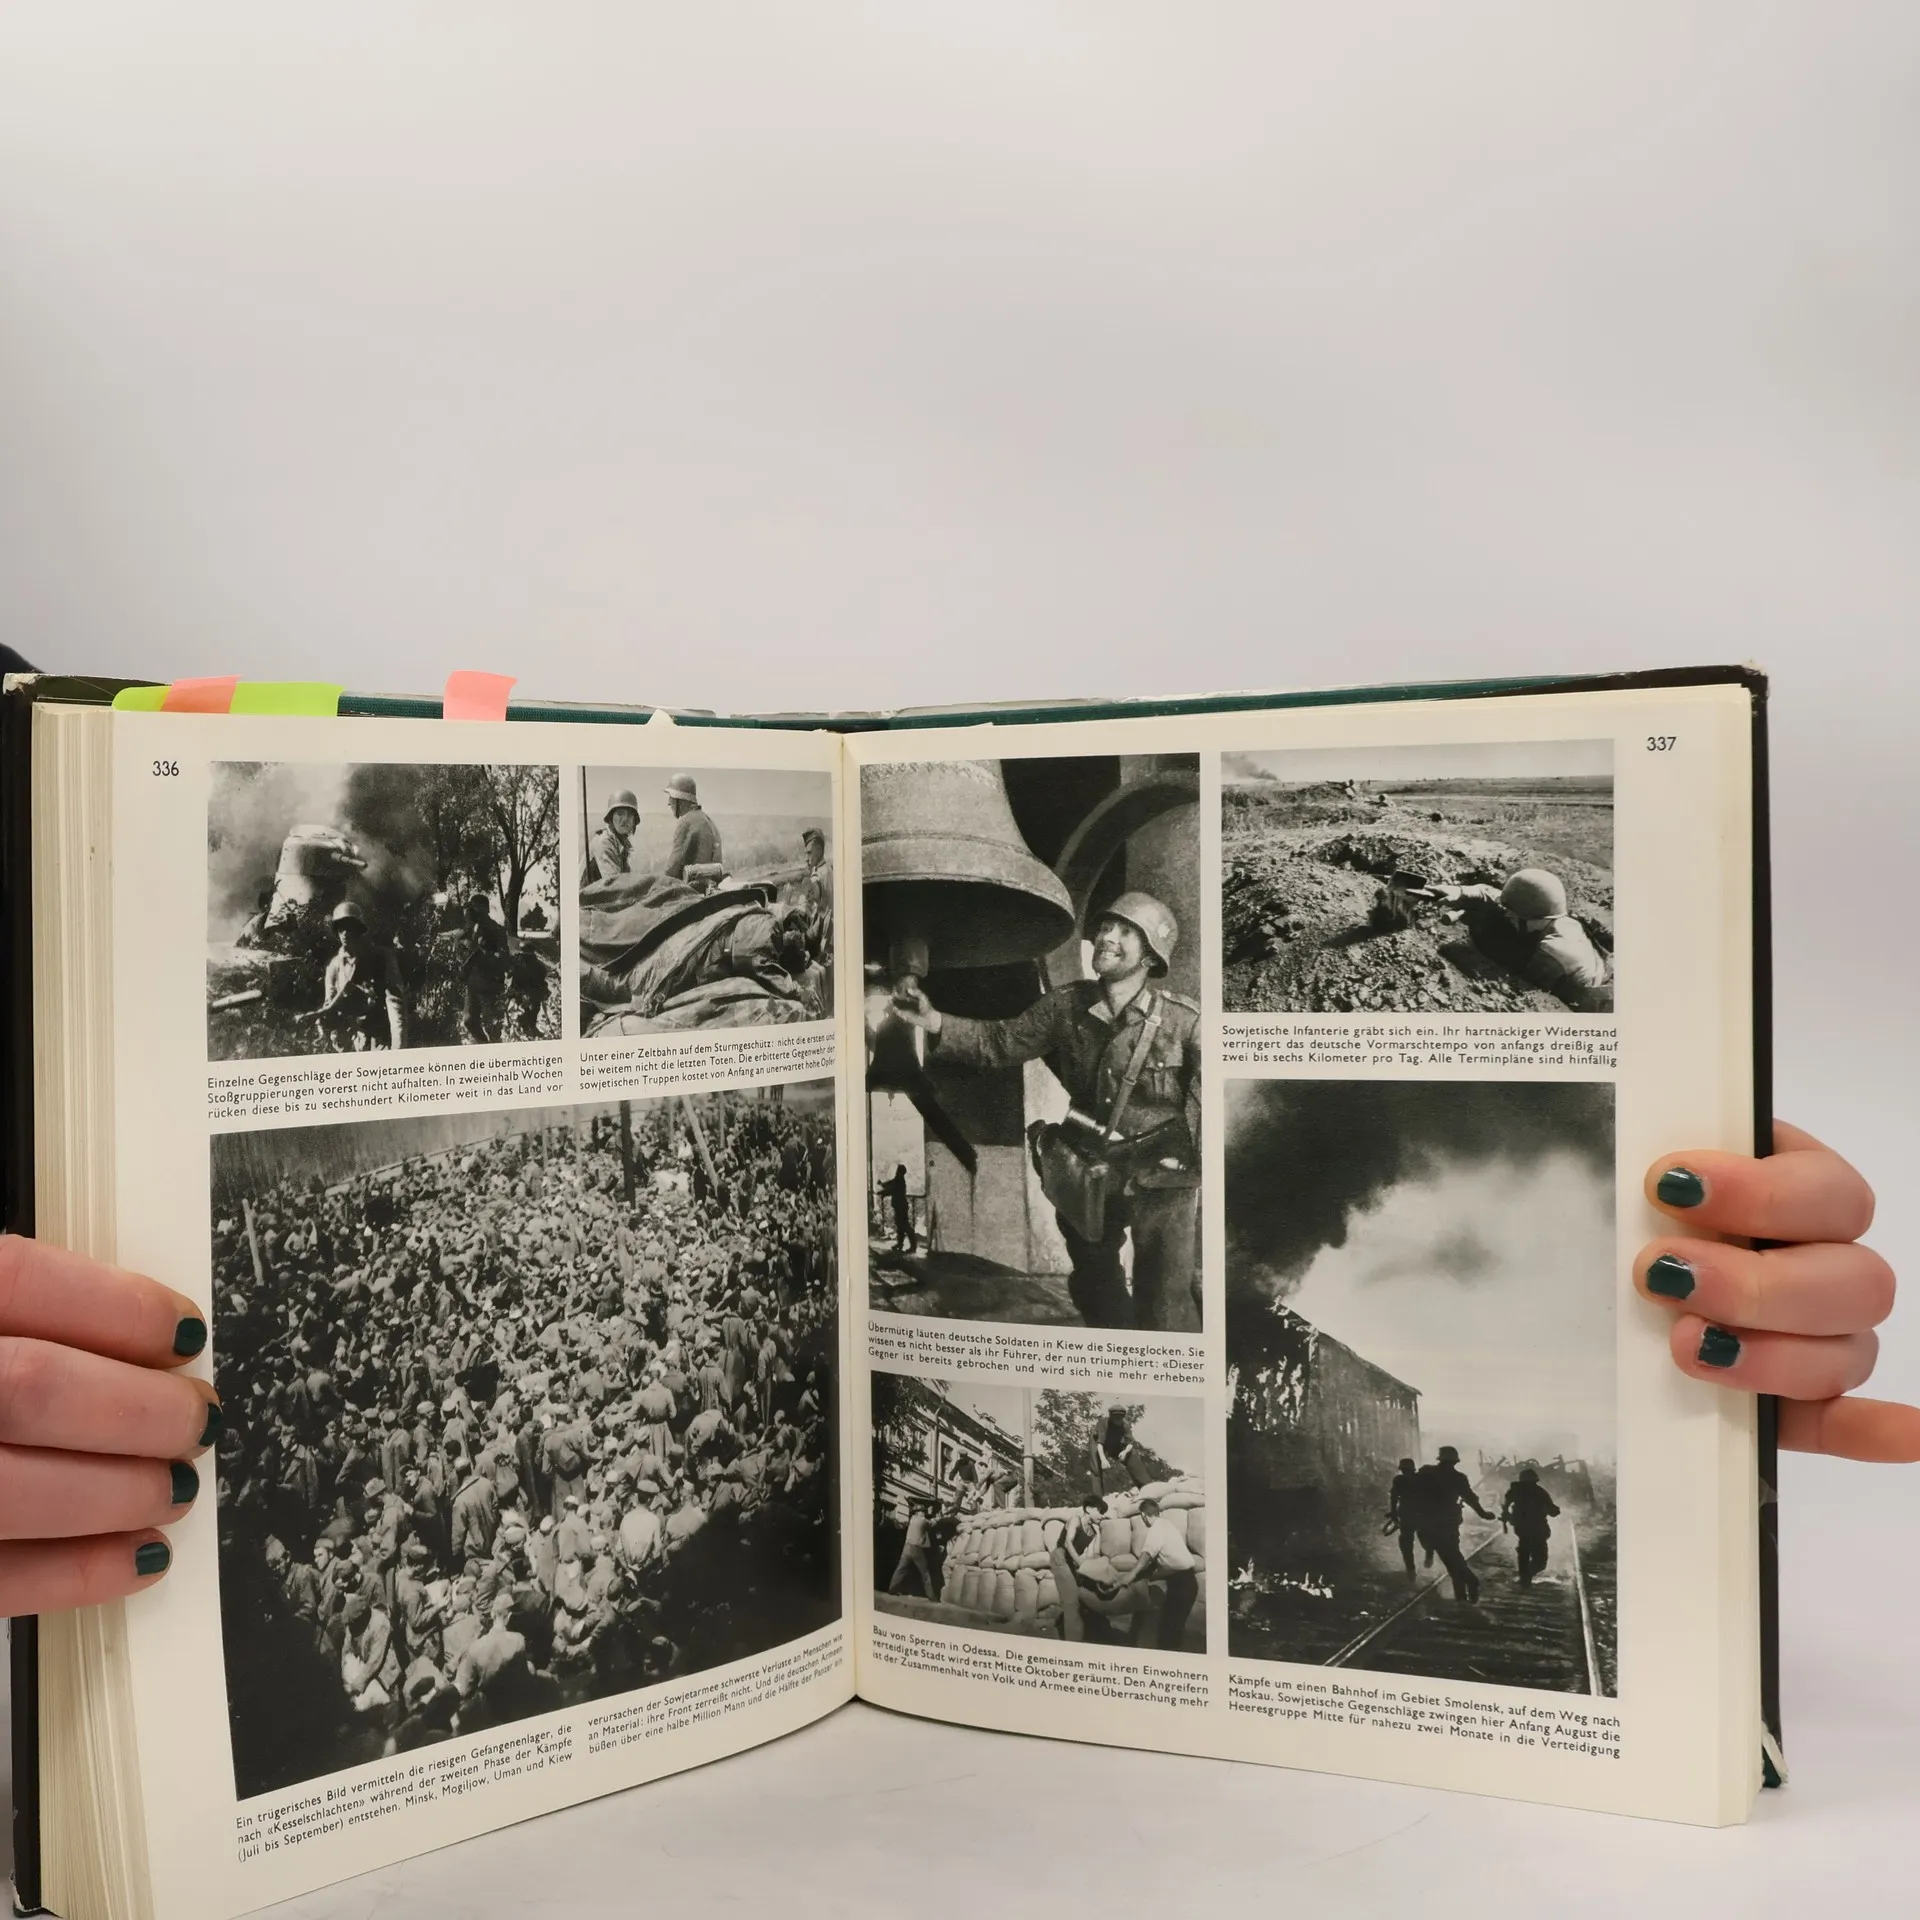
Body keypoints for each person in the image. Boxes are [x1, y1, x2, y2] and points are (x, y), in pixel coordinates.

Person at [890, 891, 1201, 1330]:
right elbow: (999, 1043)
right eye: (1106, 927)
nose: (1107, 937)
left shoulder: (1184, 1022)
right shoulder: (1066, 1005)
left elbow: (1204, 1104)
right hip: (1090, 1166)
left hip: (1161, 1172)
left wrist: (1196, 1164)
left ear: (1151, 956)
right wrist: (934, 1021)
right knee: (1094, 1283)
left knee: (1164, 1299)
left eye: (1126, 932)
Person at [1432, 869, 1612, 1012]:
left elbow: (1522, 987)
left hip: (1585, 1000)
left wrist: (1473, 957)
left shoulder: (1554, 951)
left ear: (1532, 917)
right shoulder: (1550, 914)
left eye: (1514, 914)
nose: (1507, 915)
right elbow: (1493, 896)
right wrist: (1460, 891)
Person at [313, 900, 407, 1051]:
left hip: (380, 1038)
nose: (345, 933)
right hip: (350, 1040)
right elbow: (330, 1005)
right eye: (341, 928)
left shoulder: (380, 958)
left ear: (358, 929)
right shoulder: (335, 966)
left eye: (350, 927)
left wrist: (398, 1046)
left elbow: (395, 1004)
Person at [1410, 1446, 1497, 1603]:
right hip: (1446, 1524)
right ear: (1455, 1462)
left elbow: (1412, 1494)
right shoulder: (1457, 1478)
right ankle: (1467, 1588)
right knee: (1452, 1558)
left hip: (1428, 1524)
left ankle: (1466, 1590)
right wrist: (1483, 1513)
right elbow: (1470, 1498)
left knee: (1451, 1559)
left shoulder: (1426, 1474)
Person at [1115, 1494, 1200, 1650]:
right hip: (1185, 1581)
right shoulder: (1167, 1525)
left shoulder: (1156, 1529)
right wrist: (1146, 1576)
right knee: (1172, 1628)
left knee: (1169, 1631)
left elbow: (1147, 1554)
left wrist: (1130, 1575)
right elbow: (1160, 1560)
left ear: (1143, 1515)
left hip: (1182, 1584)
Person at [455, 896, 513, 1045]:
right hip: (474, 982)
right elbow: (464, 948)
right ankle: (484, 1045)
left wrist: (486, 954)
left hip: (490, 984)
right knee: (469, 1021)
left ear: (484, 910)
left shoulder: (497, 930)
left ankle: (493, 1050)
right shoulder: (471, 929)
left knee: (493, 1026)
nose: (471, 912)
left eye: (474, 908)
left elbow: (505, 959)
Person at [1501, 1466, 1562, 1588]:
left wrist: (1508, 1517)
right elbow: (1553, 1511)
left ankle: (1525, 1578)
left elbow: (1505, 1507)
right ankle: (1526, 1577)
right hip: (1537, 1529)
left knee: (1524, 1552)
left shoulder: (1514, 1491)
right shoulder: (1539, 1492)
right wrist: (1554, 1510)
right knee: (1540, 1560)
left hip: (1522, 1528)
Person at [661, 774, 722, 880]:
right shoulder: (708, 821)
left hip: (691, 887)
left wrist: (660, 883)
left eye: (671, 798)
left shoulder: (686, 822)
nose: (669, 803)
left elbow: (672, 869)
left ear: (680, 799)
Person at [584, 790, 640, 887]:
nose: (625, 819)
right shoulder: (603, 842)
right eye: (620, 813)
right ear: (611, 817)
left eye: (630, 814)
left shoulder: (620, 844)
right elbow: (615, 885)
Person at [888, 1500, 937, 1599]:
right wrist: (938, 1516)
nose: (924, 1513)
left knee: (901, 1569)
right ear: (919, 1513)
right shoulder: (922, 1521)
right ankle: (932, 1596)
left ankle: (892, 1589)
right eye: (923, 1511)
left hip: (907, 1547)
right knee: (925, 1573)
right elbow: (931, 1524)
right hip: (916, 1548)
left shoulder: (912, 1520)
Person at [1386, 1456, 1420, 1581]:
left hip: (1412, 1514)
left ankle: (1412, 1567)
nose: (1405, 1472)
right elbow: (1394, 1497)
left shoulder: (1400, 1480)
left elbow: (1394, 1497)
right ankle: (1411, 1568)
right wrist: (1394, 1513)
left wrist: (1394, 1512)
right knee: (1407, 1542)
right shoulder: (1417, 1479)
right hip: (1412, 1514)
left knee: (1408, 1541)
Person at [878, 1163, 915, 1253]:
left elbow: (892, 1189)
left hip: (900, 1206)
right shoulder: (899, 1180)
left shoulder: (899, 1181)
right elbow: (890, 1185)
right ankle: (901, 1244)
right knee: (901, 1226)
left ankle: (912, 1246)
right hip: (901, 1206)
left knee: (904, 1226)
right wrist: (882, 1185)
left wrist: (882, 1191)